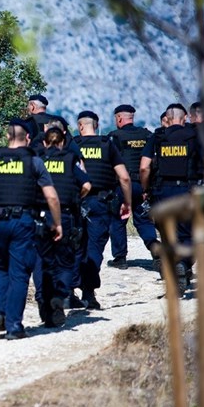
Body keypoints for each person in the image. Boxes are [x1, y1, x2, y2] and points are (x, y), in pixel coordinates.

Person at [0, 118, 62, 340]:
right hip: (22, 222)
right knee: (19, 274)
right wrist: (56, 223)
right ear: (27, 138)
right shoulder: (34, 162)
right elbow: (52, 197)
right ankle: (14, 326)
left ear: (8, 136)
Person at [139, 103, 204, 291]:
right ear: (185, 119)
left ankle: (176, 272)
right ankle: (183, 265)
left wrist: (145, 189)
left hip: (161, 191)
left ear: (166, 119)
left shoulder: (157, 136)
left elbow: (144, 167)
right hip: (186, 190)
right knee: (191, 234)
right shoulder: (194, 137)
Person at [33, 127, 91, 327]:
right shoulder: (69, 158)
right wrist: (76, 197)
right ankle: (60, 295)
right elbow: (87, 185)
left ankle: (43, 300)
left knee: (41, 260)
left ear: (45, 142)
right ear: (62, 142)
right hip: (64, 214)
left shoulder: (38, 159)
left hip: (40, 215)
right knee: (65, 261)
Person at [73, 111, 131, 309]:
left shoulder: (73, 146)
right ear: (96, 126)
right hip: (101, 203)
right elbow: (124, 177)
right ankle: (88, 293)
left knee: (75, 247)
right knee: (95, 249)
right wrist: (127, 202)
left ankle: (69, 291)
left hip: (76, 203)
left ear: (80, 126)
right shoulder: (107, 145)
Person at [106, 104, 159, 269]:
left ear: (119, 118)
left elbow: (109, 163)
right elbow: (153, 162)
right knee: (143, 220)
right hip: (143, 185)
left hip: (122, 185)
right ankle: (156, 250)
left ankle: (120, 258)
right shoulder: (147, 135)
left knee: (118, 220)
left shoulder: (114, 136)